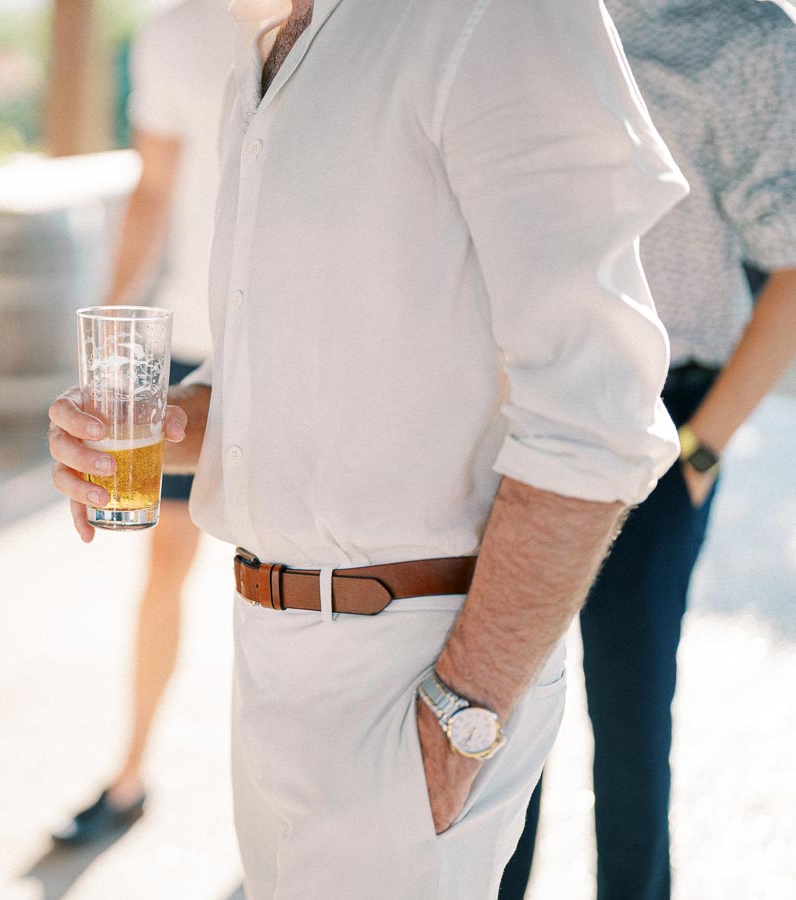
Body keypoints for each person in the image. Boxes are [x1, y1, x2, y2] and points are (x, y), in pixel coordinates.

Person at [49, 0, 689, 895]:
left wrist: (460, 719)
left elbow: (599, 408)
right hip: (272, 661)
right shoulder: (268, 53)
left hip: (415, 674)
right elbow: (293, 392)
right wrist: (168, 425)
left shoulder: (492, 18)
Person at [499, 2, 796, 898]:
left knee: (631, 727)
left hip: (665, 429)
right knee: (495, 725)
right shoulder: (506, 23)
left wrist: (701, 455)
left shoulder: (744, 41)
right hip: (512, 418)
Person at [51, 0, 233, 847]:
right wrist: (110, 336)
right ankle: (130, 774)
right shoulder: (172, 31)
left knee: (296, 576)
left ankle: (290, 815)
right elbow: (153, 187)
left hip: (307, 353)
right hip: (190, 340)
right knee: (165, 565)